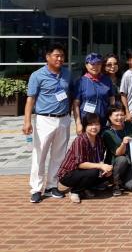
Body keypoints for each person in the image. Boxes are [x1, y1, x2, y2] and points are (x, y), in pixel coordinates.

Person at [23, 43, 72, 203]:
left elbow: (70, 95)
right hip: (44, 120)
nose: (60, 59)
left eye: (62, 56)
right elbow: (30, 99)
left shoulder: (67, 74)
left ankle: (52, 186)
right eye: (57, 55)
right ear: (48, 57)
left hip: (63, 119)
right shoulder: (37, 75)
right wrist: (27, 121)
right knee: (40, 154)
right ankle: (36, 189)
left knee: (59, 155)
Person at [57, 113, 112, 204]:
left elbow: (99, 160)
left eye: (96, 124)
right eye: (90, 125)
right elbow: (80, 164)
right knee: (95, 172)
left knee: (108, 173)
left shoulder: (99, 140)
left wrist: (106, 169)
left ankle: (85, 188)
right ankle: (75, 191)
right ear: (85, 126)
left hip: (85, 171)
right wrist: (100, 166)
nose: (94, 127)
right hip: (68, 174)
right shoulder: (80, 140)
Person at [73, 53, 116, 134]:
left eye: (98, 64)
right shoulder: (81, 81)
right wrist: (78, 123)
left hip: (103, 122)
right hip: (87, 123)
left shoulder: (107, 80)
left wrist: (112, 117)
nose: (95, 67)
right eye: (92, 64)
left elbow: (111, 99)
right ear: (86, 65)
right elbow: (76, 104)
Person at [102, 105, 132, 196]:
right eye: (116, 115)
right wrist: (123, 143)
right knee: (122, 159)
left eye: (121, 115)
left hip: (130, 163)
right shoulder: (107, 133)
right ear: (109, 117)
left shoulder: (130, 125)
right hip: (116, 164)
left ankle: (122, 181)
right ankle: (115, 184)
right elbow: (118, 153)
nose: (119, 118)